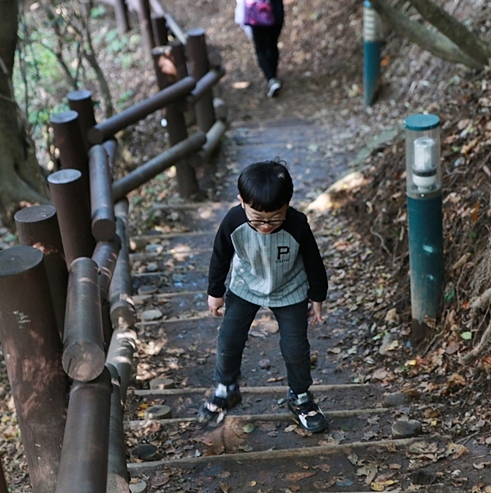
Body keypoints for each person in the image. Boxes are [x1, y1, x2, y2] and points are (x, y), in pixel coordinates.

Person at [198, 160, 329, 433]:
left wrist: (317, 296)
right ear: (241, 202)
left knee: (295, 348)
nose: (266, 226)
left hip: (290, 288)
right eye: (258, 219)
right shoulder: (234, 221)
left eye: (275, 218)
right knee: (229, 339)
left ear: (288, 205)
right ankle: (226, 388)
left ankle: (300, 396)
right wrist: (215, 291)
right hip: (246, 285)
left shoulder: (297, 224)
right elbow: (220, 255)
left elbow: (313, 261)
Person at [235, 0, 285, 98]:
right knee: (271, 45)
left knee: (261, 48)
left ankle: (271, 78)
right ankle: (273, 77)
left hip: (256, 14)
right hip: (274, 12)